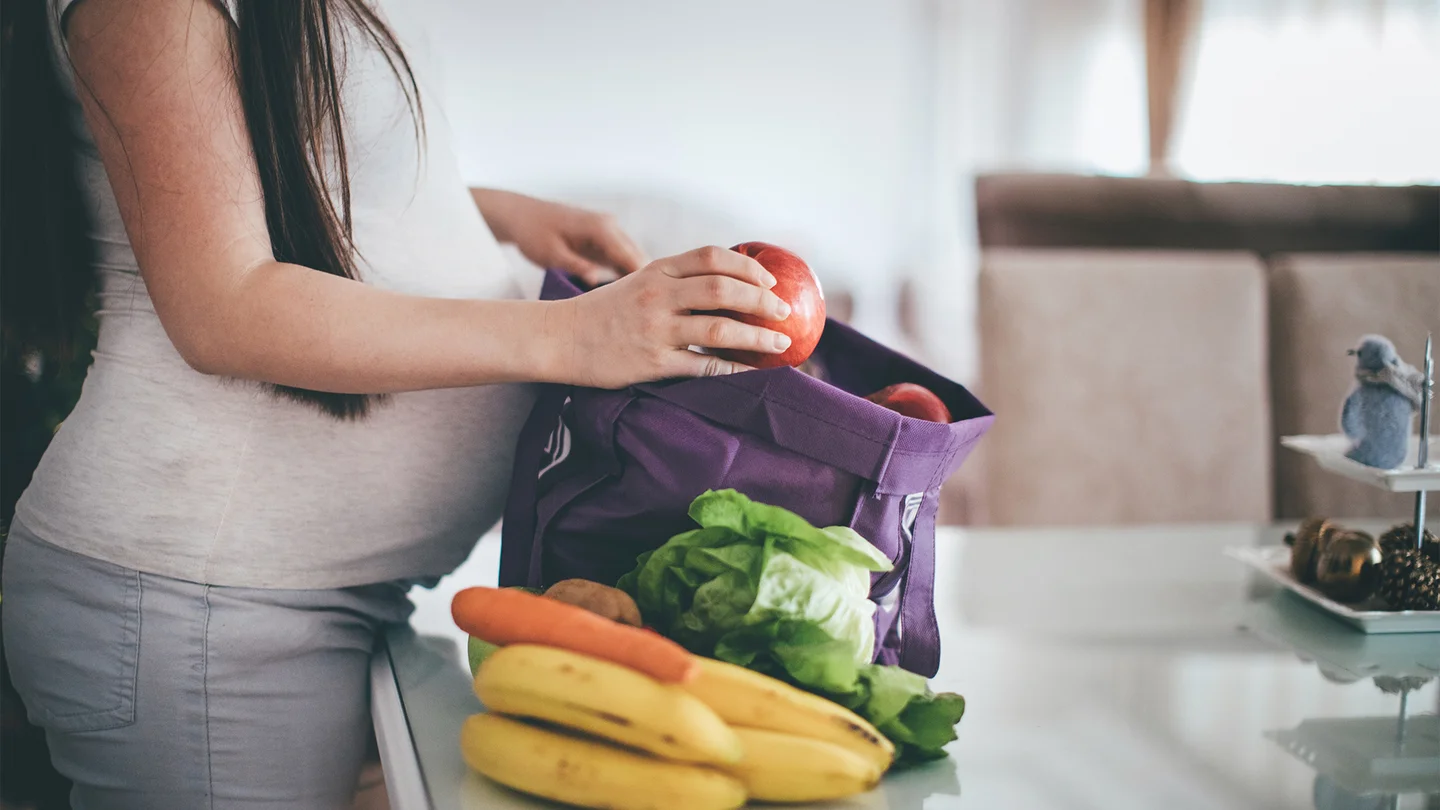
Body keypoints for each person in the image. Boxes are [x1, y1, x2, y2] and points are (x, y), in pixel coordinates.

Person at [0, 0, 795, 807]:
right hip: (205, 604)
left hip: (296, 593)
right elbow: (222, 304)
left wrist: (486, 213)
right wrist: (573, 336)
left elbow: (284, 173)